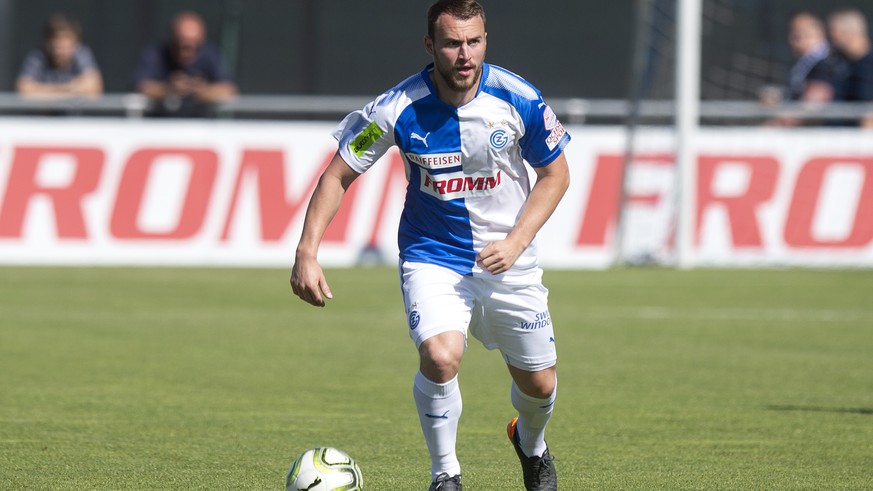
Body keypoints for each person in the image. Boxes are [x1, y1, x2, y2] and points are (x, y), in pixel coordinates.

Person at [289, 1, 570, 489]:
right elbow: (337, 175)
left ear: (485, 39)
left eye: (474, 41)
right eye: (452, 43)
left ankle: (531, 443)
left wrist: (517, 241)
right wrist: (307, 252)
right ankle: (446, 475)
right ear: (430, 45)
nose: (465, 54)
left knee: (539, 384)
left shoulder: (517, 97)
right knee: (440, 357)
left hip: (510, 261)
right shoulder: (397, 107)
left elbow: (556, 175)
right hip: (433, 255)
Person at [132, 11, 237, 117]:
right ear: (173, 40)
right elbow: (141, 87)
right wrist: (168, 89)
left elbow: (229, 90)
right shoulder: (156, 54)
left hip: (201, 127)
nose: (188, 52)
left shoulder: (210, 54)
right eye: (183, 46)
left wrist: (201, 90)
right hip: (160, 125)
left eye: (195, 46)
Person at [16, 13, 103, 98]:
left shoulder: (81, 54)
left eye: (64, 43)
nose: (59, 49)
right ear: (46, 43)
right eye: (55, 42)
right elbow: (24, 91)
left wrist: (42, 92)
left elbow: (94, 88)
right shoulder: (38, 57)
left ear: (75, 43)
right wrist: (69, 89)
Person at [828, 8, 873, 127]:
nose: (831, 39)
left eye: (834, 33)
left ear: (848, 33)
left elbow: (868, 115)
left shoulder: (868, 65)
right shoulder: (842, 62)